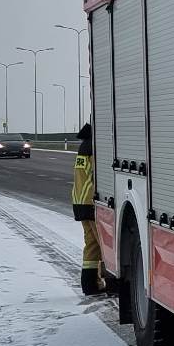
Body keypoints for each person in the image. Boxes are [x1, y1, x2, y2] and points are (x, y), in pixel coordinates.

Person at [73, 123, 101, 293]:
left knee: (92, 245)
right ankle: (110, 284)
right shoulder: (95, 145)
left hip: (80, 201)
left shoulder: (85, 144)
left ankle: (90, 285)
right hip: (91, 202)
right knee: (104, 246)